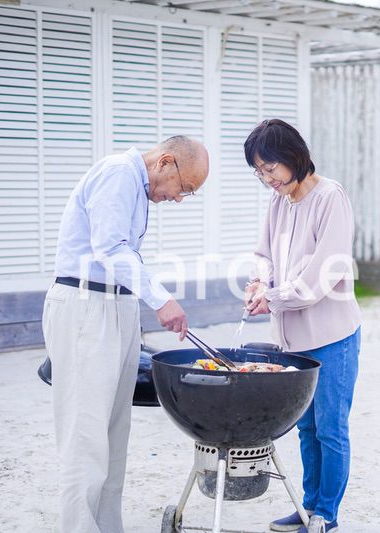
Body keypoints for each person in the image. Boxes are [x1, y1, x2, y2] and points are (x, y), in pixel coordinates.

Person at [42, 136, 209, 533]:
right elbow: (110, 246)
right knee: (86, 435)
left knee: (115, 432)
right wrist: (162, 300)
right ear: (166, 163)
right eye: (184, 188)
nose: (180, 198)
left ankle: (107, 526)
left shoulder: (136, 184)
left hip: (118, 305)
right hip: (85, 306)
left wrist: (143, 302)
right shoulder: (118, 172)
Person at [243, 119, 361, 533]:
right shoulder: (280, 201)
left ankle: (327, 514)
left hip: (332, 336)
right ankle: (308, 507)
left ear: (294, 155)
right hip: (291, 338)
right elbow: (264, 253)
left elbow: (319, 279)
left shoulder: (331, 197)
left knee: (331, 427)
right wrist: (260, 280)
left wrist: (271, 296)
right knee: (305, 426)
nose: (267, 178)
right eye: (259, 171)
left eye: (270, 167)